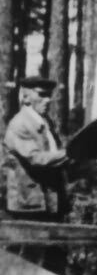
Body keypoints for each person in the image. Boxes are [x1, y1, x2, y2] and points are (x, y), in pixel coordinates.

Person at [4, 75, 69, 222]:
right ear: (26, 98)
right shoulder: (19, 124)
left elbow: (54, 155)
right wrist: (71, 153)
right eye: (42, 95)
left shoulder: (46, 122)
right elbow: (37, 159)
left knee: (53, 244)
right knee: (31, 244)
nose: (48, 100)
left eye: (49, 95)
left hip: (50, 201)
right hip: (29, 204)